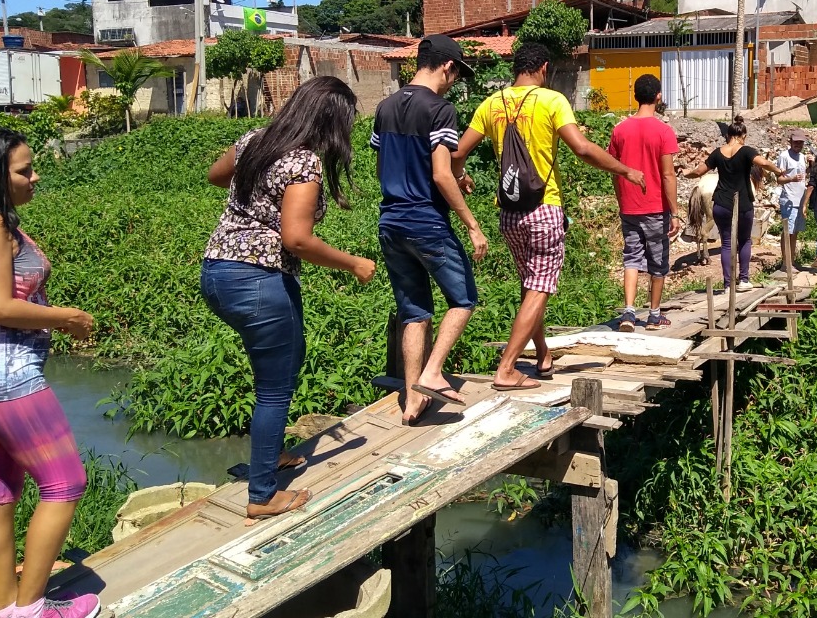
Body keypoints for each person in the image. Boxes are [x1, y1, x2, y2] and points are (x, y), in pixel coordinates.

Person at [201, 76, 377, 521]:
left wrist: (254, 198)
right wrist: (354, 262)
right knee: (275, 388)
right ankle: (262, 494)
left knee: (289, 356)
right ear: (330, 123)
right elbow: (297, 239)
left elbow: (215, 175)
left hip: (218, 272)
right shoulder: (303, 163)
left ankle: (272, 452)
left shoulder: (254, 141)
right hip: (258, 279)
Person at [454, 43, 644, 391]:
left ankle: (542, 355)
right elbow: (583, 148)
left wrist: (462, 174)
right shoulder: (552, 100)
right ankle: (507, 368)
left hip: (509, 214)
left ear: (516, 68)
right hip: (544, 208)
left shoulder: (491, 104)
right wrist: (625, 170)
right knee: (540, 288)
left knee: (531, 287)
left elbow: (459, 152)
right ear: (542, 68)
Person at [0, 128, 99, 618]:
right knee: (65, 483)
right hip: (10, 384)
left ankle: (8, 608)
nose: (34, 176)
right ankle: (32, 611)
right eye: (23, 170)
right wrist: (66, 317)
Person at [373, 36, 488, 425]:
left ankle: (411, 402)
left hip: (390, 220)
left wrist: (461, 174)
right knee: (464, 299)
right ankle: (433, 373)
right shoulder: (441, 110)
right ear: (447, 67)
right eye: (456, 74)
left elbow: (393, 164)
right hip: (426, 220)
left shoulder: (385, 107)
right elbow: (440, 172)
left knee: (415, 312)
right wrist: (472, 224)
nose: (453, 82)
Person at [607, 74, 680, 332]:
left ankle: (628, 313)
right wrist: (675, 211)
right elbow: (668, 174)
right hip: (656, 208)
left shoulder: (619, 130)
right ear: (658, 96)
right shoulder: (663, 131)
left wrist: (621, 201)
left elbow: (615, 170)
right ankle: (653, 315)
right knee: (658, 261)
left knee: (632, 258)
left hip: (629, 207)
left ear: (636, 95)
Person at [684, 117, 785, 291]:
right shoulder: (746, 151)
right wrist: (778, 170)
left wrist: (687, 173)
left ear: (728, 135)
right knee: (744, 240)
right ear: (742, 135)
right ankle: (744, 280)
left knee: (726, 243)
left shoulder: (717, 152)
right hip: (743, 203)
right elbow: (764, 163)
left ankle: (727, 285)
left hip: (721, 203)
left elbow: (699, 171)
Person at [774, 130, 809, 263]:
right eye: (796, 142)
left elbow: (804, 175)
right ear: (790, 142)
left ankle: (791, 261)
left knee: (795, 232)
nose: (798, 145)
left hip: (800, 199)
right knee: (788, 232)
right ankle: (786, 263)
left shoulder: (802, 157)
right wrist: (791, 179)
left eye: (801, 142)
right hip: (789, 199)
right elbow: (779, 179)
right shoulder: (784, 157)